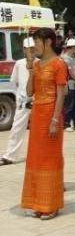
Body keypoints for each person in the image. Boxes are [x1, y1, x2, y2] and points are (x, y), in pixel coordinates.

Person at [21, 28, 67, 220]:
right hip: (38, 115)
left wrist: (55, 120)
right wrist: (31, 71)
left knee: (50, 159)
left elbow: (61, 95)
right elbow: (29, 92)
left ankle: (51, 204)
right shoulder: (37, 65)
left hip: (51, 114)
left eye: (37, 42)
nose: (34, 47)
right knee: (36, 159)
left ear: (48, 42)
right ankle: (38, 204)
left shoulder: (59, 64)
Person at [0, 38, 36, 166]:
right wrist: (22, 96)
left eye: (33, 49)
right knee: (17, 128)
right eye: (29, 49)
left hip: (37, 101)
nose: (31, 51)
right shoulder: (19, 64)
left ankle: (39, 155)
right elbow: (16, 82)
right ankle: (10, 156)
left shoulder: (40, 63)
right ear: (24, 50)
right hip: (23, 102)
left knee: (39, 130)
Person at [62, 39, 75, 132]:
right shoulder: (65, 58)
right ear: (71, 48)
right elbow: (71, 72)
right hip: (69, 83)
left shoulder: (73, 58)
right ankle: (66, 124)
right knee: (69, 104)